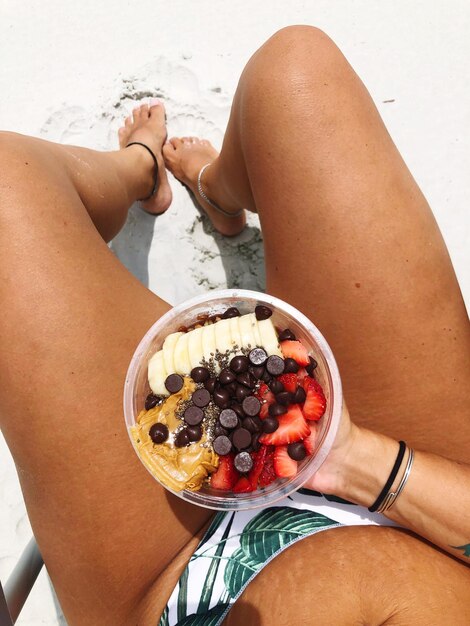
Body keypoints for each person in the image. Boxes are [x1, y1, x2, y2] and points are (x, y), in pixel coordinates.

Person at [0, 25, 469, 626]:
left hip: (173, 586)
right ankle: (204, 187)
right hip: (418, 496)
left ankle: (143, 163)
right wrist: (360, 460)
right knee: (296, 72)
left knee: (8, 183)